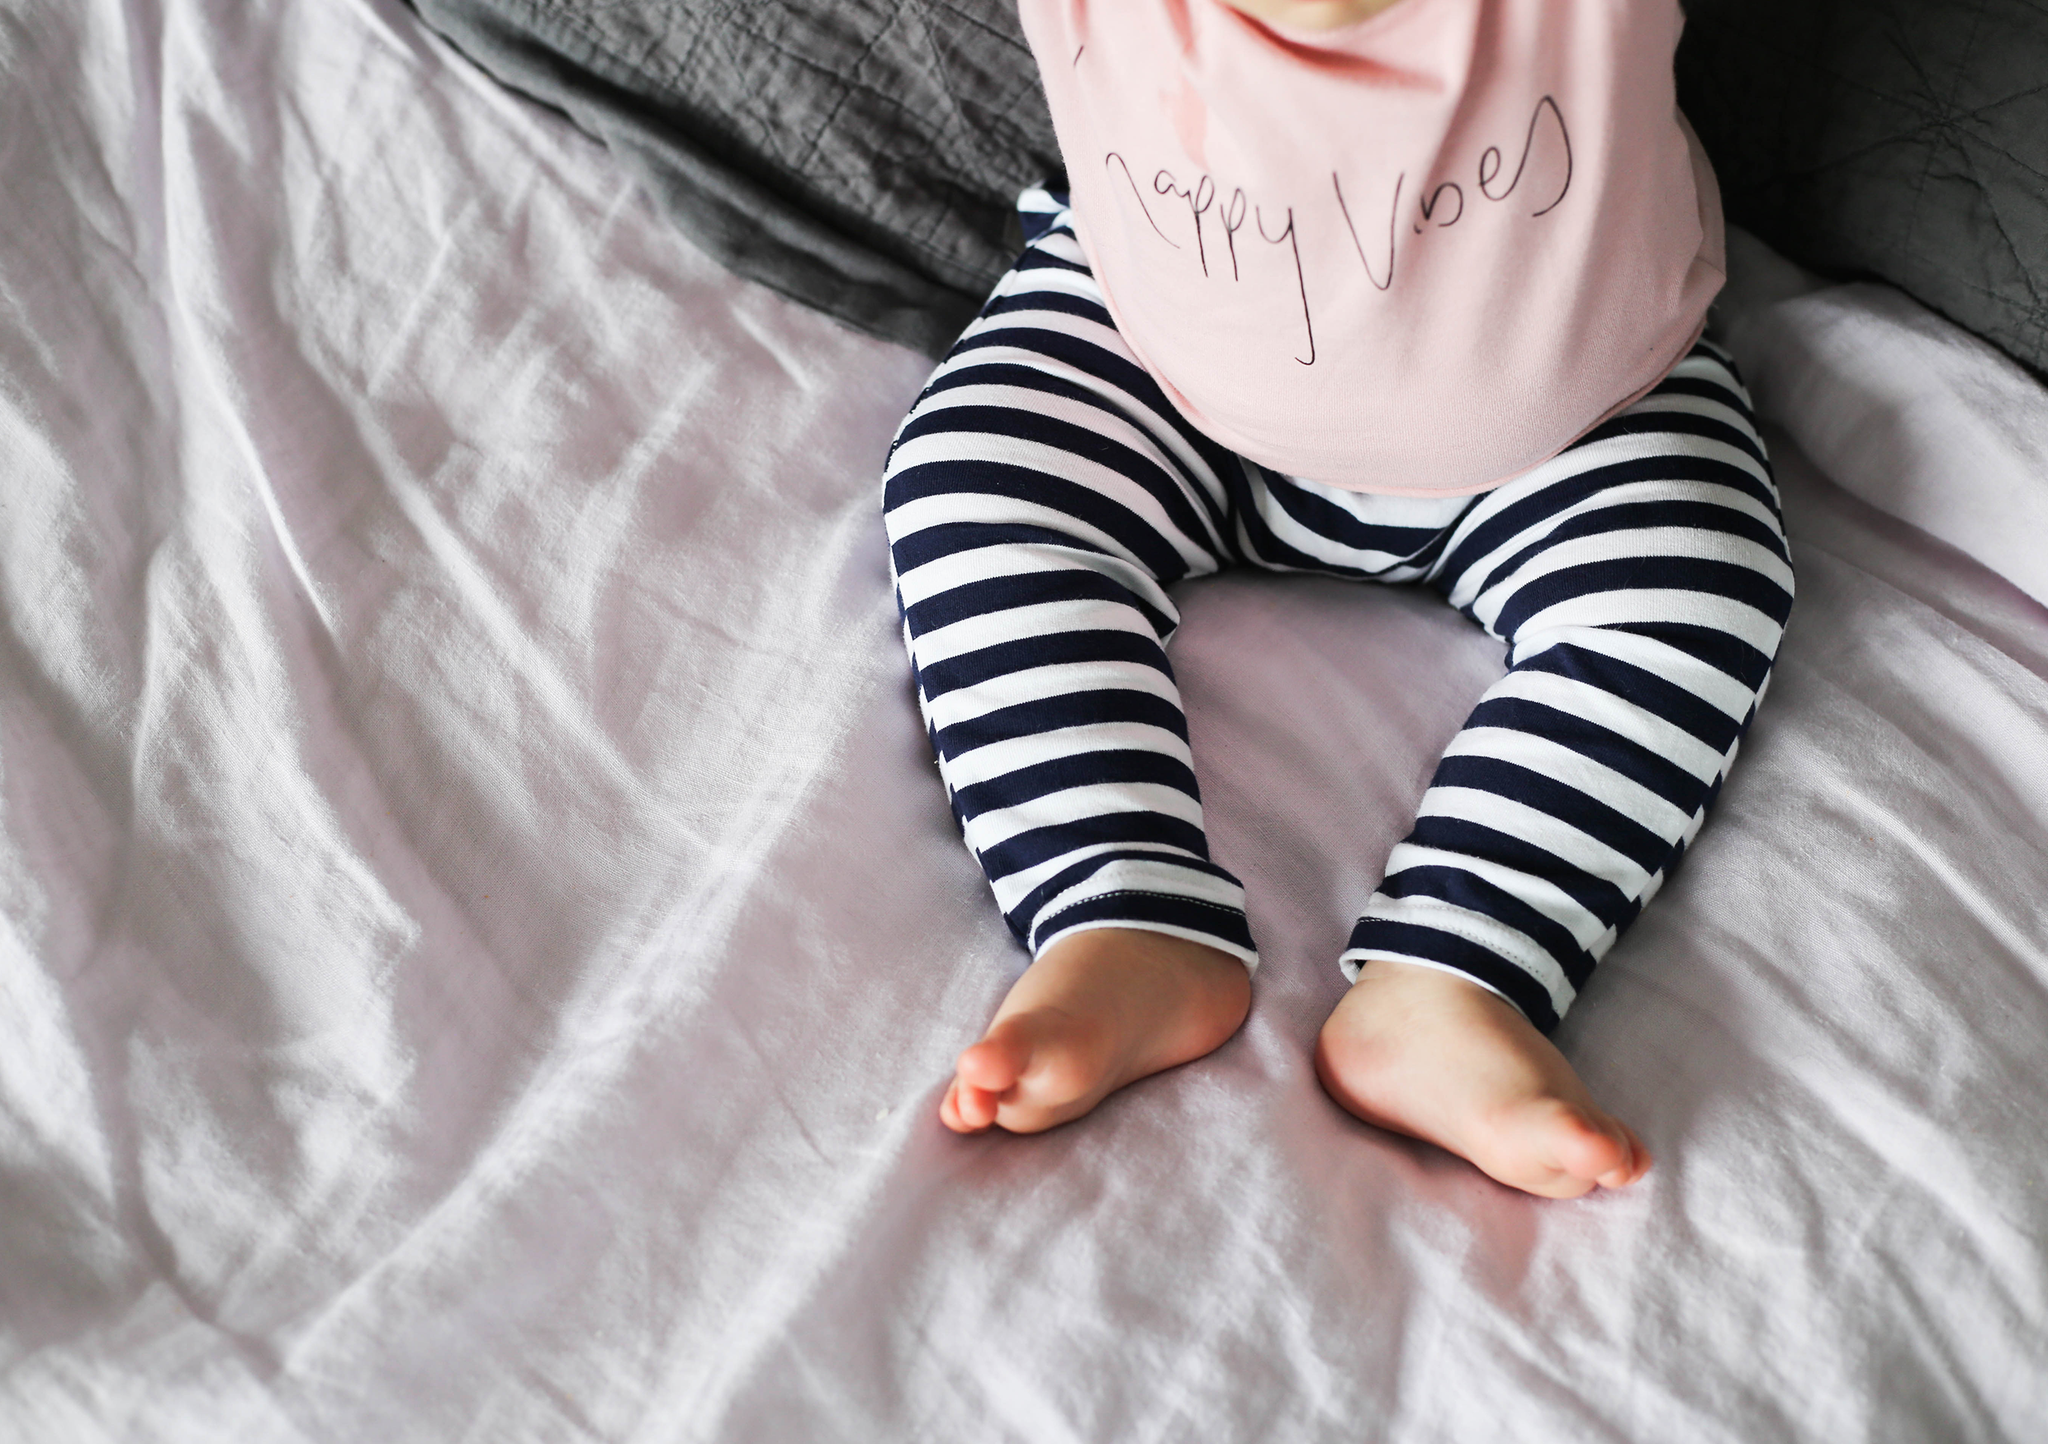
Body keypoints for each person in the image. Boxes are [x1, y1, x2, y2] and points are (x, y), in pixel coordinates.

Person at [880, 0, 1793, 1198]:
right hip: (1154, 359)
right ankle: (1119, 906)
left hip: (1581, 413)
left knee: (1691, 585)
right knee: (976, 488)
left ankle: (1455, 973)